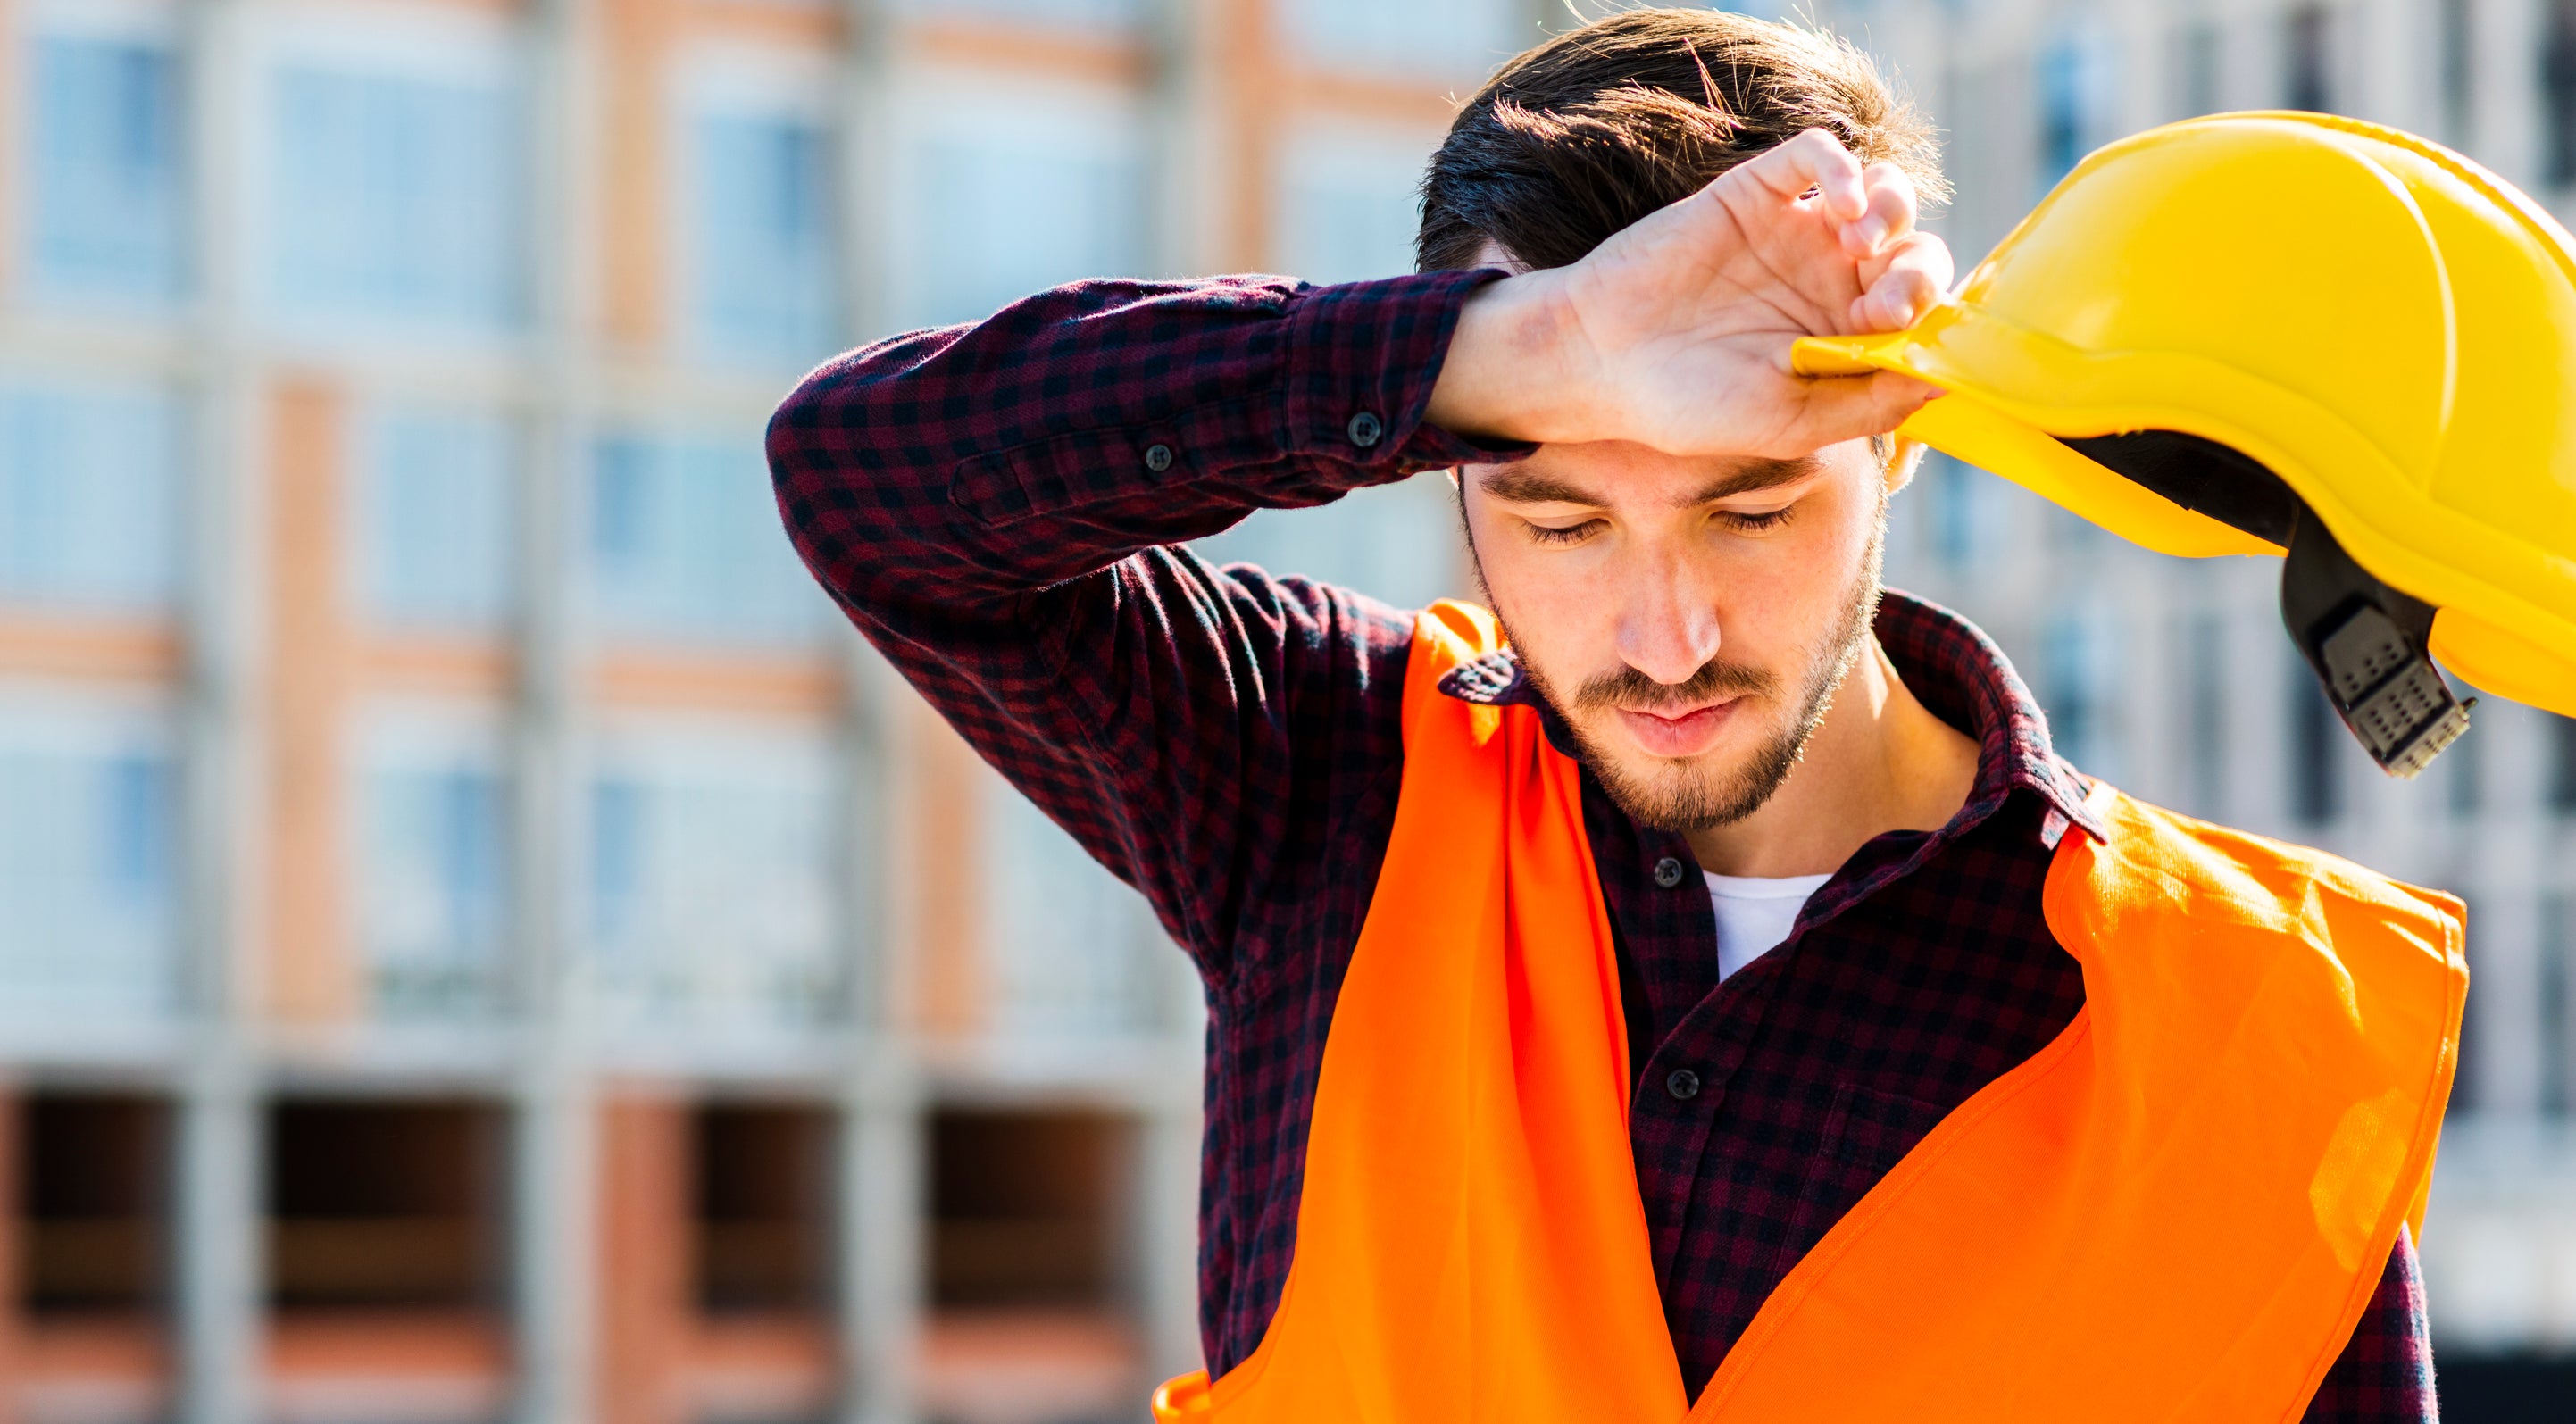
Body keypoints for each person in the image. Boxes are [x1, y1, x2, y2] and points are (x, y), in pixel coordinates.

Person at [768, 10, 2448, 1420]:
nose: (1664, 638)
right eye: (1560, 516)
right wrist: (1533, 346)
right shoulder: (1321, 774)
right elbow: (867, 481)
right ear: (1450, 466)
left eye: (1754, 506)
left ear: (1899, 447)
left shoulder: (2247, 1026)